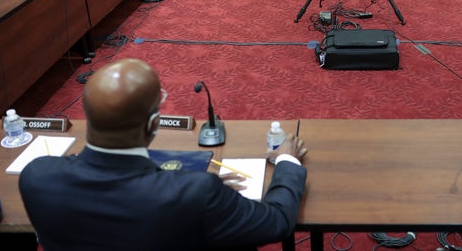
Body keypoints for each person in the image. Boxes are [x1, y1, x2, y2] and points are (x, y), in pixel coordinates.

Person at [18, 58, 307, 251]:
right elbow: (277, 222)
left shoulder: (37, 176)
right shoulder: (196, 192)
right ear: (153, 124)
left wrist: (188, 189)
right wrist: (286, 160)